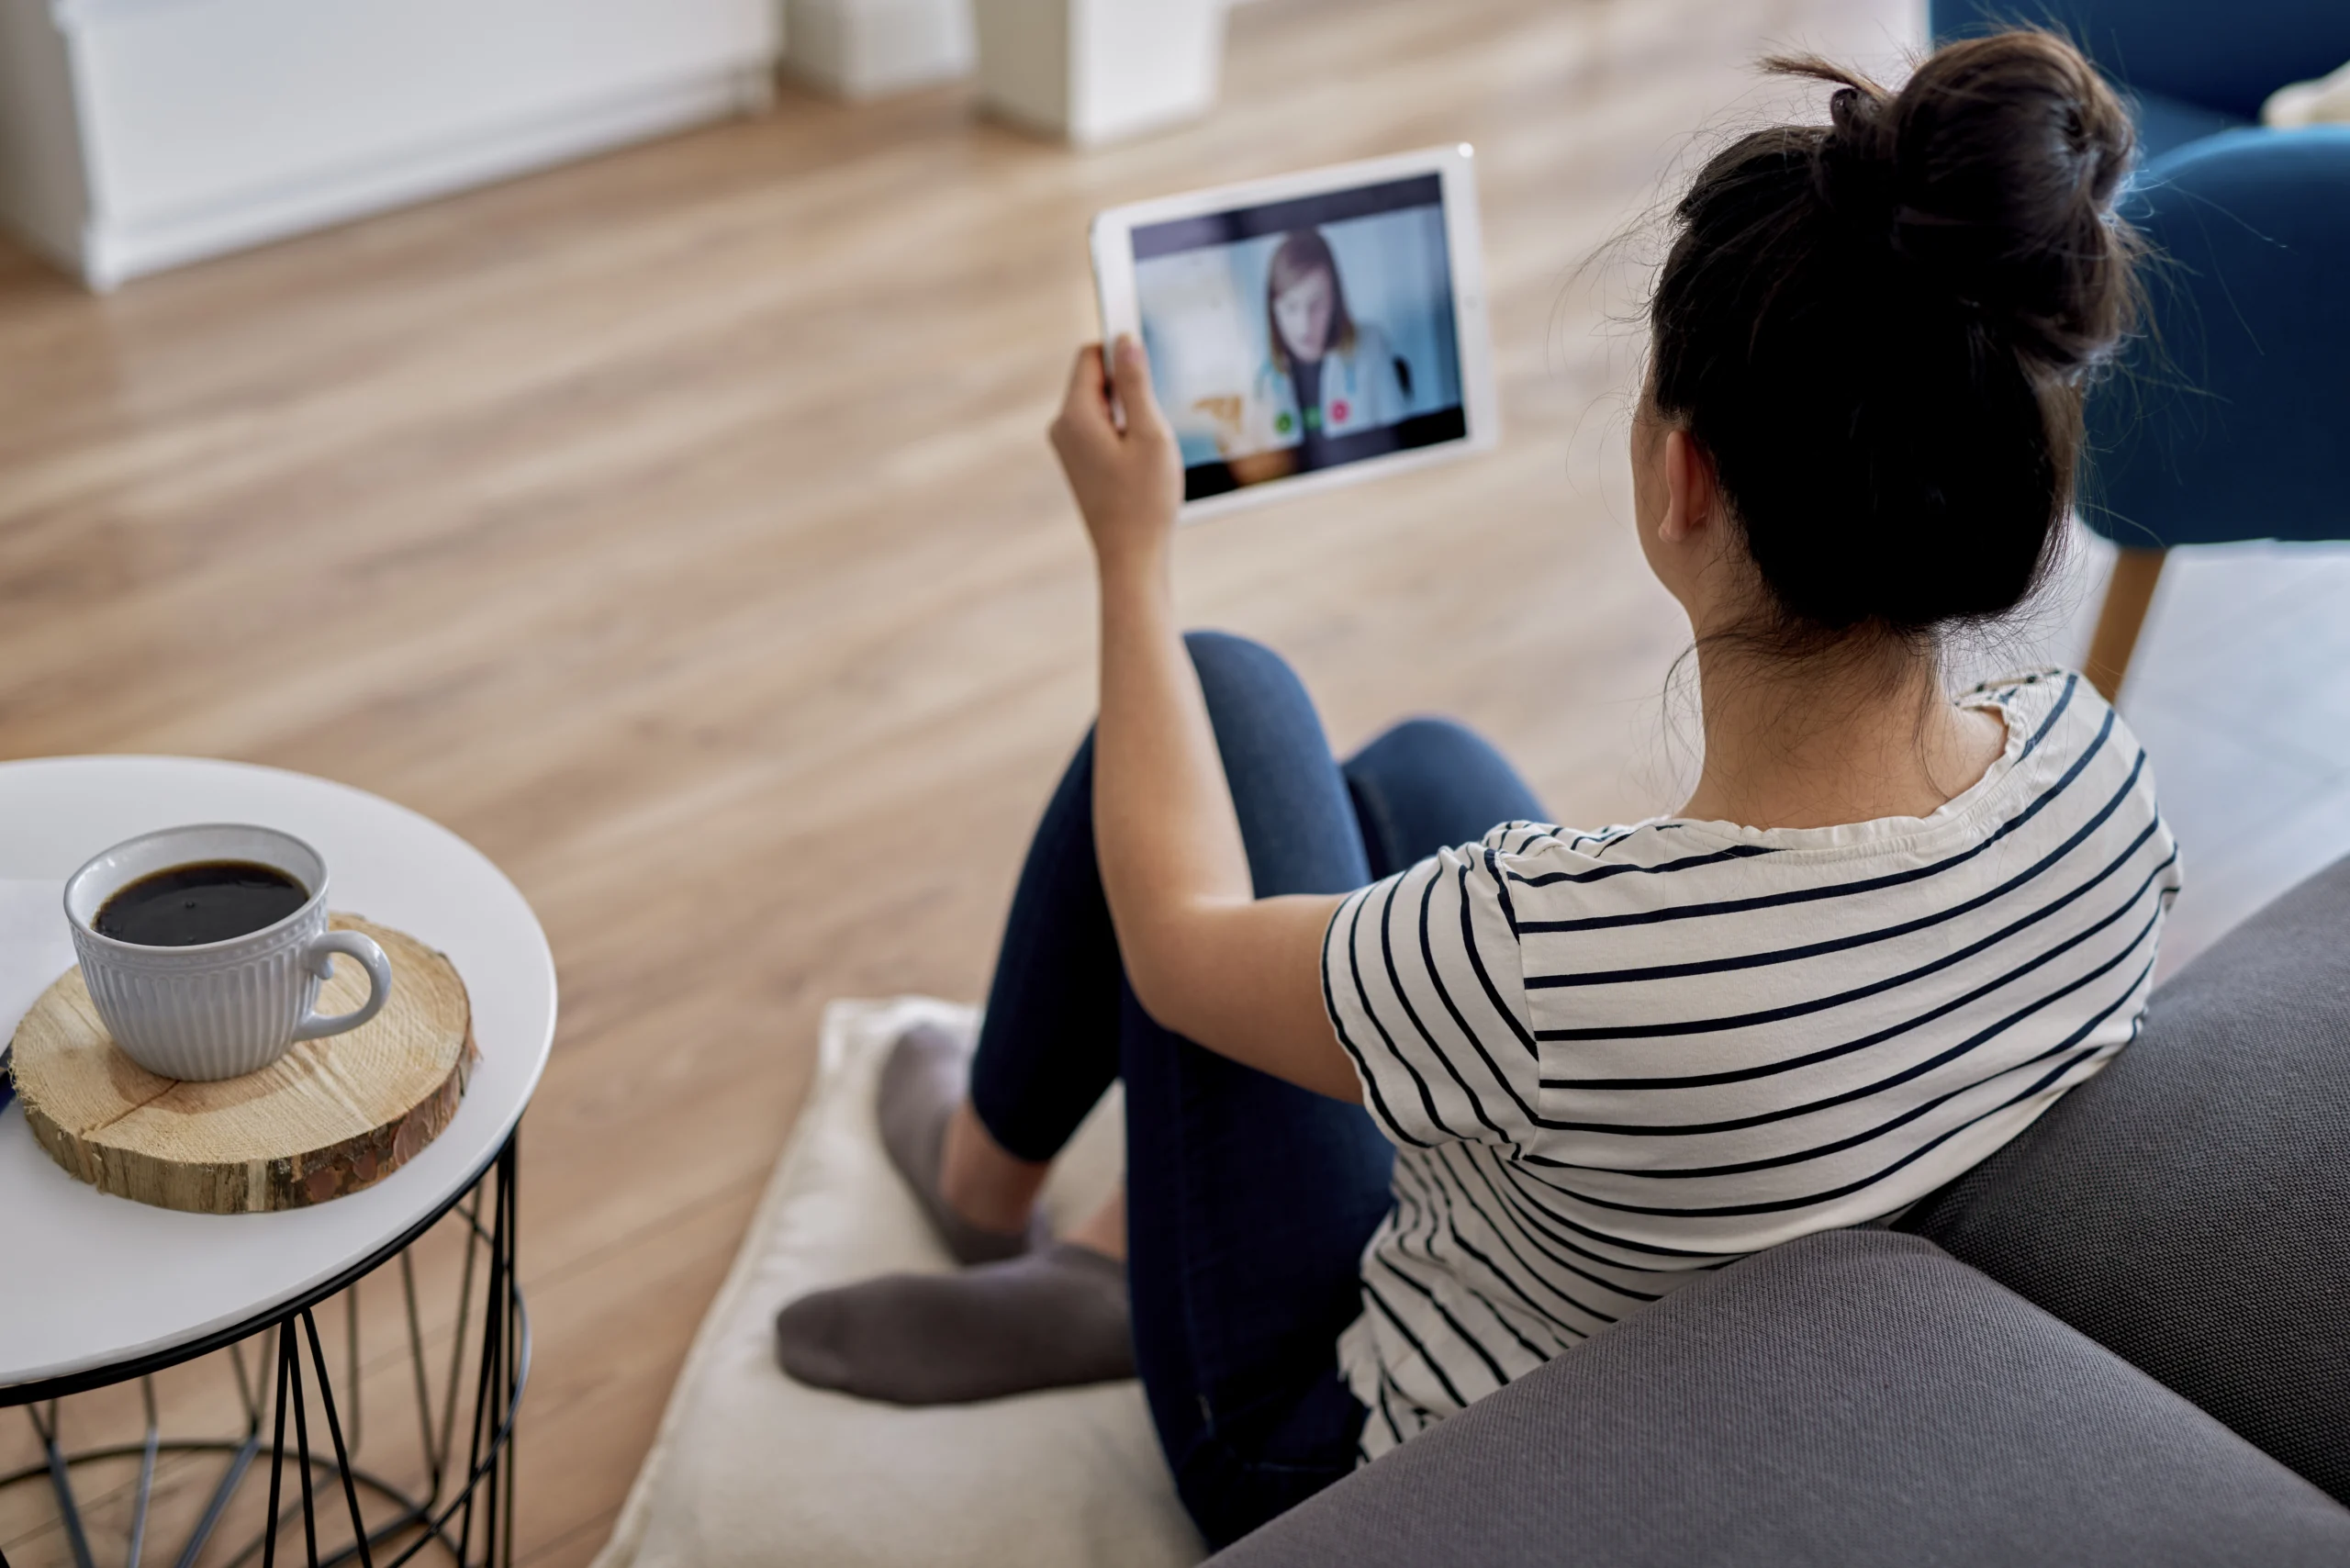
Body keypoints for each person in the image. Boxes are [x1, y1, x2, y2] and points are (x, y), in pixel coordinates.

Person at [775, 28, 2179, 1551]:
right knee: (1427, 765)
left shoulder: (1559, 960)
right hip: (1683, 1332)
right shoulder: (2103, 783)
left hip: (1353, 1451)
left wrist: (1131, 555)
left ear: (1681, 476)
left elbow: (1180, 946)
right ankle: (1102, 1236)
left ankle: (999, 1195)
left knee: (1224, 684)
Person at [1200, 228, 1411, 482]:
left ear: (1335, 300)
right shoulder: (1254, 370)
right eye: (1290, 307)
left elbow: (1403, 449)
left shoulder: (1371, 346)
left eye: (1317, 304)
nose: (1304, 326)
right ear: (1273, 309)